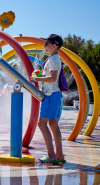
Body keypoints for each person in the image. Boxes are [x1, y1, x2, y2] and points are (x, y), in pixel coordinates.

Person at [30, 34, 66, 164]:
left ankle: (51, 156)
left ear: (55, 45)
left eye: (47, 44)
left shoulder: (52, 59)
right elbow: (52, 80)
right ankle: (60, 155)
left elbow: (52, 78)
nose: (44, 46)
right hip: (53, 94)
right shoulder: (55, 58)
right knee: (53, 124)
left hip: (50, 96)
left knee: (42, 124)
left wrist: (37, 79)